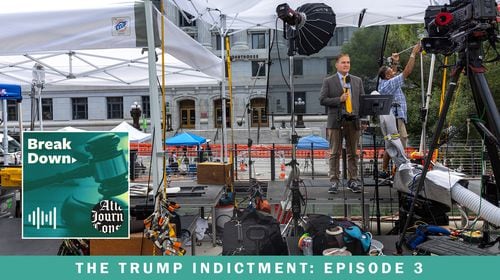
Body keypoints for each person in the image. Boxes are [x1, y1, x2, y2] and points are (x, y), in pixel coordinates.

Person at [320, 53, 365, 194]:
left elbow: (363, 101)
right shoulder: (329, 81)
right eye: (343, 62)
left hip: (354, 121)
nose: (346, 65)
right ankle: (334, 181)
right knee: (334, 153)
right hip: (336, 121)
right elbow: (322, 99)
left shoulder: (357, 81)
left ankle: (353, 180)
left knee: (353, 153)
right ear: (337, 65)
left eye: (348, 62)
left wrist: (363, 119)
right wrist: (338, 99)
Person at [377, 43, 421, 179]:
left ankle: (385, 171)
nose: (393, 72)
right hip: (394, 118)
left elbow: (394, 73)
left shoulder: (386, 82)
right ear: (387, 76)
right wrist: (413, 53)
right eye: (390, 72)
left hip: (395, 117)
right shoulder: (388, 85)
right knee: (398, 143)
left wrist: (395, 62)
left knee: (392, 144)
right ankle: (396, 170)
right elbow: (406, 72)